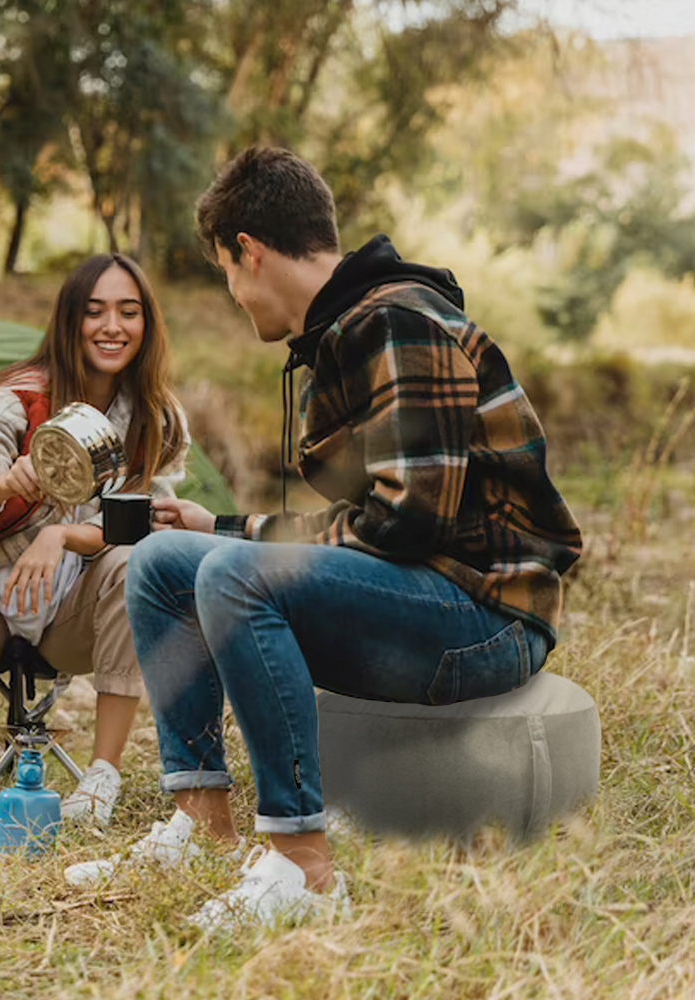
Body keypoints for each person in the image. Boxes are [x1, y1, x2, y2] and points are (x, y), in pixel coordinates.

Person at [64, 147, 583, 933]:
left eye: (228, 275)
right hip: (427, 591)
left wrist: (248, 549)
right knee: (168, 562)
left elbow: (411, 523)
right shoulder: (348, 328)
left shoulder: (396, 321)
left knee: (237, 577)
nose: (236, 297)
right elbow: (379, 527)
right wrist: (226, 527)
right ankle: (202, 825)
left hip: (488, 617)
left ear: (250, 251)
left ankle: (303, 870)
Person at [0, 253, 189, 840]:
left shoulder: (156, 418)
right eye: (94, 311)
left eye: (129, 312)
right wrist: (5, 482)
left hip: (76, 617)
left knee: (138, 559)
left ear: (147, 325)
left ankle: (102, 778)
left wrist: (63, 533)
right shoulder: (18, 398)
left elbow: (151, 521)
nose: (112, 327)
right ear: (70, 320)